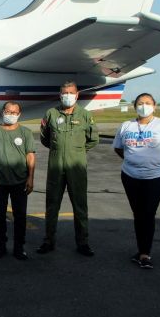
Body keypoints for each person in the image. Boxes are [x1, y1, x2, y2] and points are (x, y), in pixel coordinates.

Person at [113, 93, 160, 269]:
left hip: (156, 177)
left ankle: (145, 254)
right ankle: (141, 250)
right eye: (140, 103)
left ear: (155, 106)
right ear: (134, 106)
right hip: (130, 176)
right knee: (138, 214)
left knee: (148, 213)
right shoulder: (126, 126)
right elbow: (118, 148)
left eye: (148, 103)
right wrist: (131, 159)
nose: (144, 106)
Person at [37, 81, 99, 256]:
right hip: (56, 167)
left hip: (76, 167)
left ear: (77, 95)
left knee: (80, 206)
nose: (68, 96)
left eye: (71, 92)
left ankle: (83, 242)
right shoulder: (51, 114)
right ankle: (49, 241)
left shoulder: (85, 115)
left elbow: (93, 139)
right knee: (52, 206)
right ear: (60, 94)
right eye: (64, 93)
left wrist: (76, 151)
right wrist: (60, 149)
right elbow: (45, 138)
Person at [0, 101, 36, 260]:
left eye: (14, 112)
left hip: (20, 181)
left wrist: (31, 178)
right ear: (2, 112)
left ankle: (19, 247)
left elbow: (30, 156)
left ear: (19, 114)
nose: (11, 114)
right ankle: (0, 246)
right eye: (8, 111)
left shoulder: (26, 132)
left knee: (20, 216)